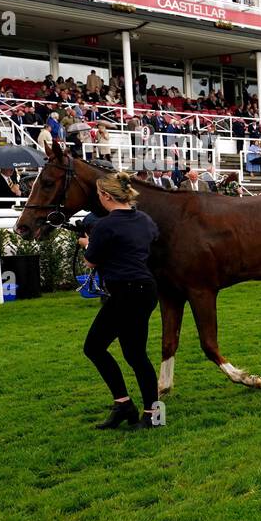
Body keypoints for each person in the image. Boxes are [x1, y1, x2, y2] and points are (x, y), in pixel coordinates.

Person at [79, 171, 162, 429]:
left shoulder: (105, 225)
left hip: (125, 292)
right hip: (145, 289)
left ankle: (126, 404)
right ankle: (149, 413)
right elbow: (146, 242)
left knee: (94, 348)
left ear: (105, 196)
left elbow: (90, 260)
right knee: (135, 354)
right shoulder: (145, 220)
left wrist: (86, 243)